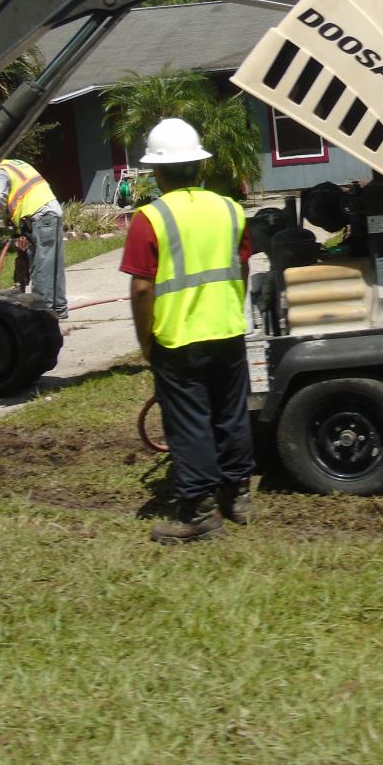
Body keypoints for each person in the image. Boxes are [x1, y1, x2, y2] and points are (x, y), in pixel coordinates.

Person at [119, 118, 255, 544]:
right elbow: (243, 268)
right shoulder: (231, 210)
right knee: (231, 414)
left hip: (178, 339)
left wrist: (145, 341)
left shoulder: (150, 218)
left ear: (158, 171)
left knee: (190, 422)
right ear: (198, 165)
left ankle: (196, 510)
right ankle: (237, 496)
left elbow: (142, 288)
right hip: (228, 331)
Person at [0, 155, 67, 318]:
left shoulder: (0, 171)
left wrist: (4, 216)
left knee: (41, 266)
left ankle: (41, 313)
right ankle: (59, 308)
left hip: (40, 215)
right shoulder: (15, 164)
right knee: (53, 264)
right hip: (51, 212)